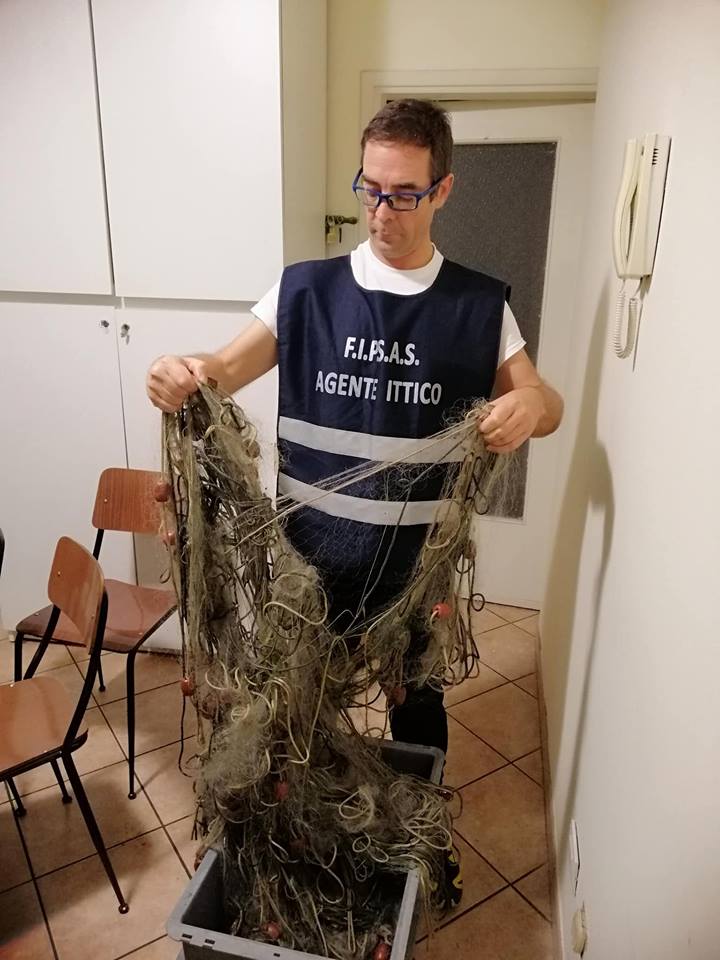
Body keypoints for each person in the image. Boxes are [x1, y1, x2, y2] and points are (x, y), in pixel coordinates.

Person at [147, 95, 562, 789]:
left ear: (443, 190)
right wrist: (179, 370)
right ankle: (305, 830)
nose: (381, 212)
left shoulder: (478, 307)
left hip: (415, 574)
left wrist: (529, 404)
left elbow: (547, 406)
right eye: (370, 189)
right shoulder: (305, 291)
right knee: (295, 717)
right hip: (307, 570)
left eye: (404, 195)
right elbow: (221, 367)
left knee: (417, 709)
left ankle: (418, 826)